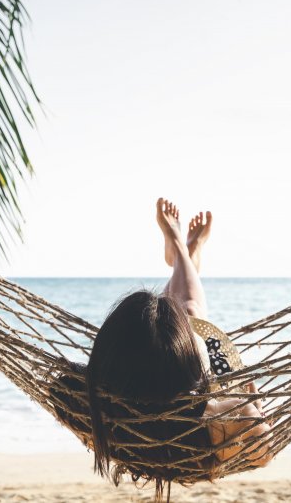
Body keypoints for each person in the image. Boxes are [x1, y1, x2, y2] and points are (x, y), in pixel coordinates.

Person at [85, 198, 272, 488]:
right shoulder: (228, 417)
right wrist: (252, 399)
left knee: (164, 318)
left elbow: (61, 388)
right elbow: (262, 455)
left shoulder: (102, 409)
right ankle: (181, 250)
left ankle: (183, 255)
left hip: (149, 397)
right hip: (202, 391)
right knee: (190, 310)